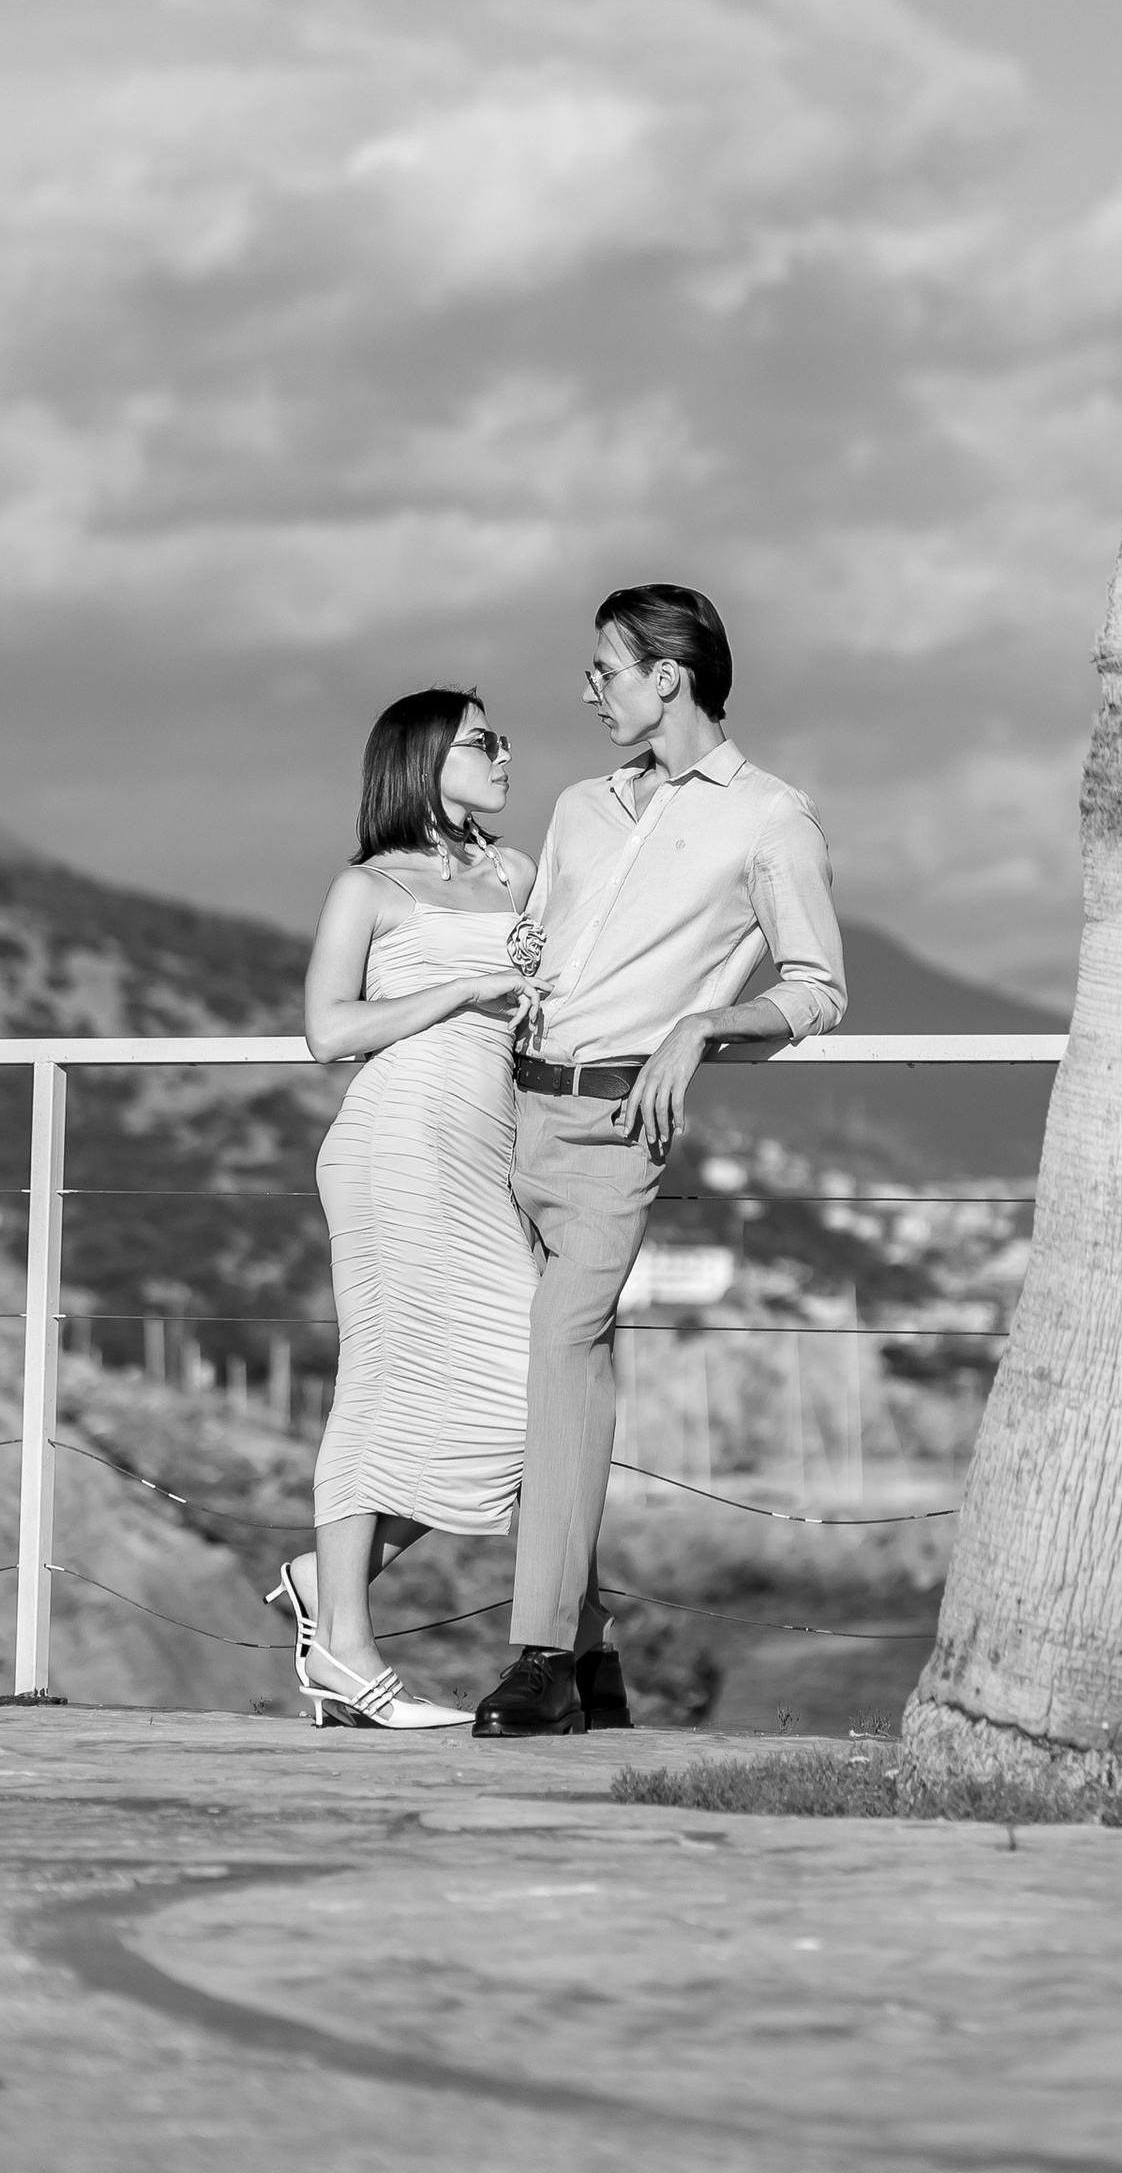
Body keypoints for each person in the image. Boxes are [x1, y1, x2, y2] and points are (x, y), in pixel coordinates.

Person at [470, 583, 844, 1741]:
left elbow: (818, 985)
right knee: (537, 1378)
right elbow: (552, 953)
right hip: (506, 1110)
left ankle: (536, 1658)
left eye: (606, 671)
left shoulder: (771, 819)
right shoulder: (579, 808)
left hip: (611, 1130)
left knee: (561, 1353)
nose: (588, 690)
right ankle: (589, 1662)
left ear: (667, 677)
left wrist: (702, 1027)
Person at [276, 687, 536, 1732]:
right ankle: (343, 1646)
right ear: (425, 760)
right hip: (395, 1141)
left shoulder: (518, 873)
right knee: (381, 1382)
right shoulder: (369, 885)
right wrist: (457, 995)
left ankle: (319, 1578)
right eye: (482, 741)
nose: (504, 754)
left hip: (487, 1150)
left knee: (528, 1390)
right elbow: (326, 1030)